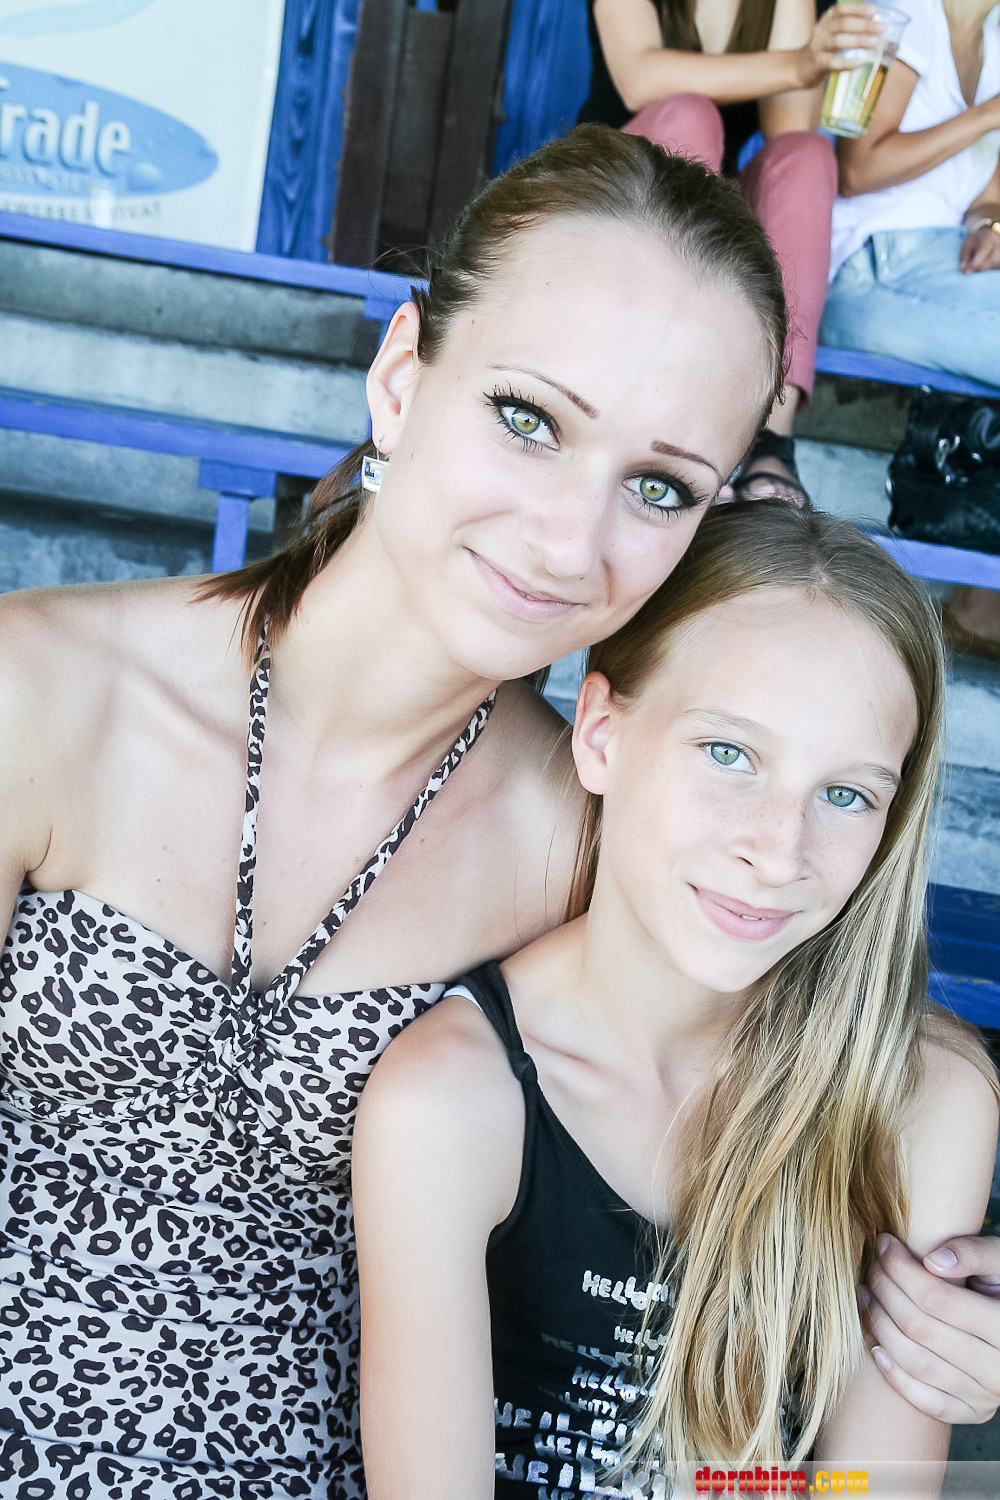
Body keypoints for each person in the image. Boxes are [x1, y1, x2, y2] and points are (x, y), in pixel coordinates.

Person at [0, 125, 996, 1500]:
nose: (567, 538)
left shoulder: (592, 833)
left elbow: (855, 1044)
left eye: (657, 487)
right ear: (403, 378)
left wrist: (949, 1302)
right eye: (529, 419)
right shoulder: (38, 696)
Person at [353, 499, 999, 1500]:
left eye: (844, 795)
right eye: (728, 753)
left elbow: (869, 1489)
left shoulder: (924, 1097)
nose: (777, 851)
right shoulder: (450, 1100)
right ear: (602, 733)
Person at [579, 0, 883, 508]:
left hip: (702, 224)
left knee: (807, 155)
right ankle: (653, 404)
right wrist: (798, 63)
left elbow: (787, 126)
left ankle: (771, 443)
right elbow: (639, 77)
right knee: (691, 115)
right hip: (611, 204)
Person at [819, 0, 1000, 661]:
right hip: (872, 267)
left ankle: (982, 605)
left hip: (951, 267)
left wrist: (991, 224)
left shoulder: (996, 34)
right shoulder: (904, 9)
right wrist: (988, 112)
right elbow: (858, 167)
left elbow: (990, 191)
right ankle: (984, 605)